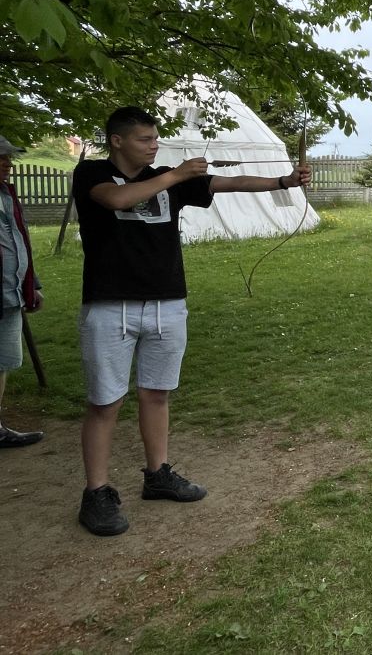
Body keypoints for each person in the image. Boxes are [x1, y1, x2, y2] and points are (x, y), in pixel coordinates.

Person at [74, 107, 310, 536]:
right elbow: (118, 200)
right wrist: (177, 174)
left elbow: (230, 183)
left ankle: (158, 474)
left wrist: (283, 181)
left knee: (156, 393)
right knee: (105, 403)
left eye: (155, 138)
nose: (154, 145)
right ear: (117, 141)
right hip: (110, 306)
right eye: (145, 139)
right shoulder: (93, 173)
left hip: (167, 303)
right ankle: (97, 492)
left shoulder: (169, 178)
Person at [0, 135, 45, 447]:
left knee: (2, 362)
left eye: (8, 157)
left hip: (10, 292)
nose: (8, 164)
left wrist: (32, 284)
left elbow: (18, 240)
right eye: (1, 158)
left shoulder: (6, 194)